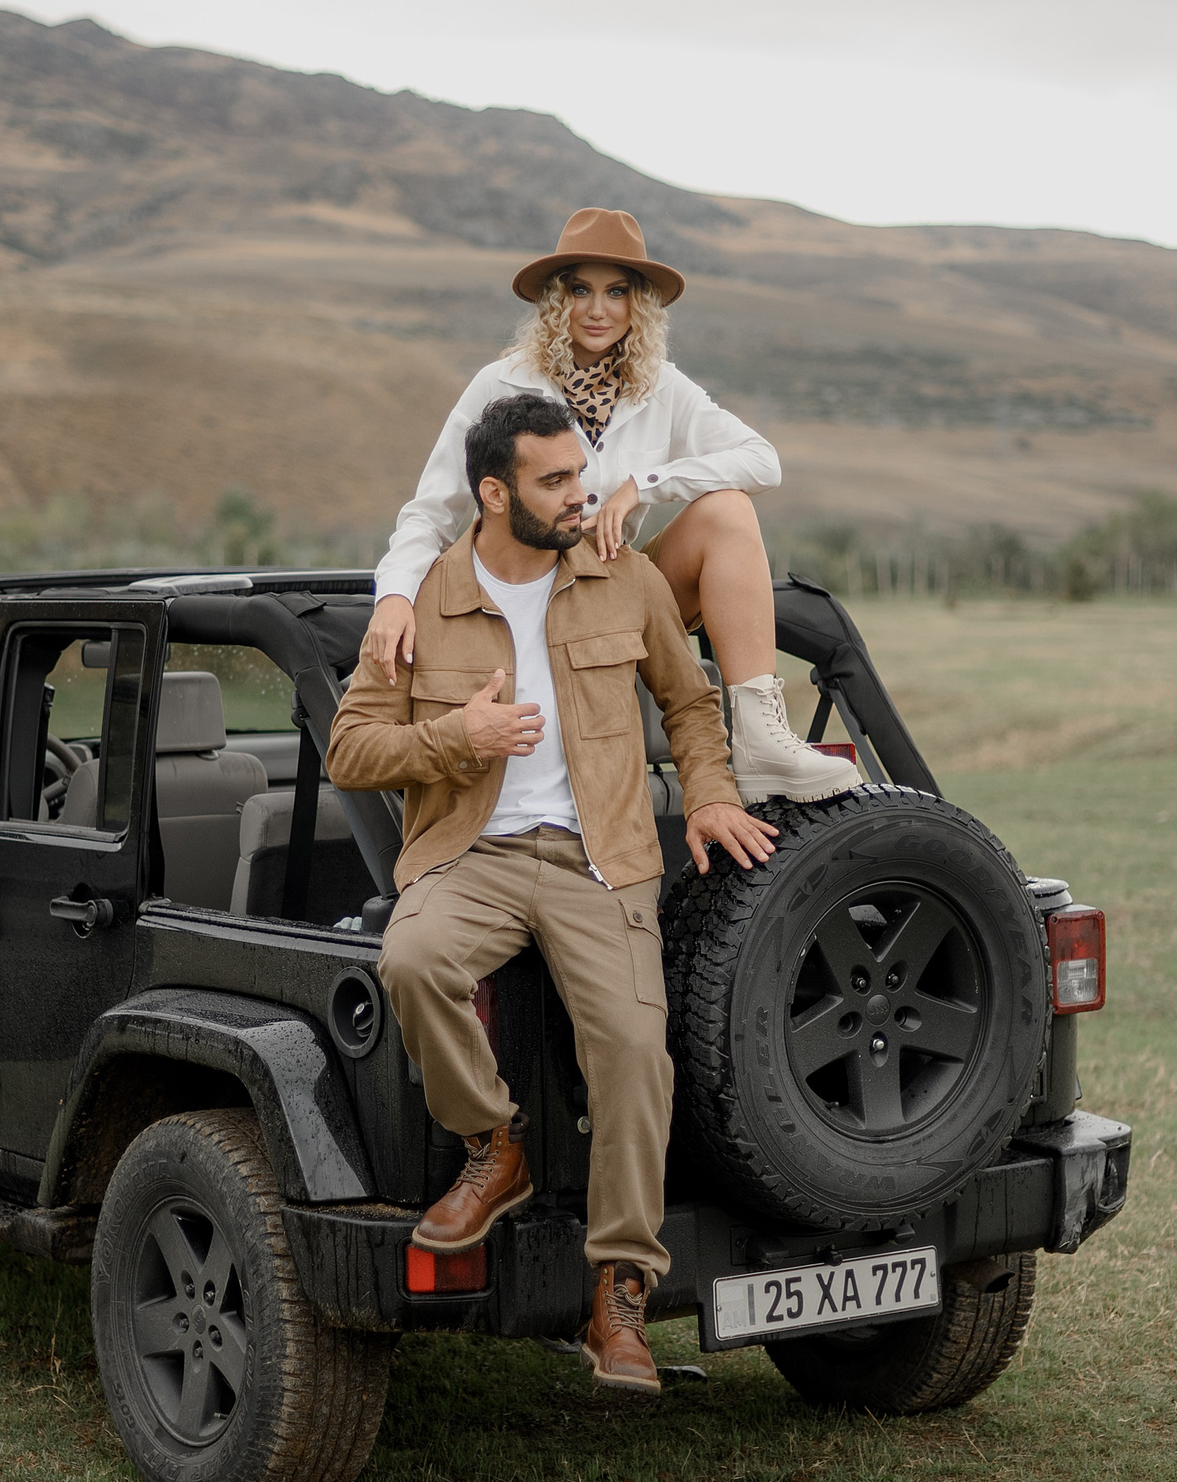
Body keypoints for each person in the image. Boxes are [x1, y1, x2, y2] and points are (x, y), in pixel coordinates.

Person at [330, 393, 782, 1396]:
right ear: (492, 494)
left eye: (580, 473)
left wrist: (707, 792)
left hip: (600, 857)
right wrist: (456, 739)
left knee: (632, 1050)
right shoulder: (425, 600)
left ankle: (618, 1292)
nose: (582, 496)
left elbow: (687, 699)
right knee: (409, 960)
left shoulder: (620, 579)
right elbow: (350, 749)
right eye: (555, 481)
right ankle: (494, 1146)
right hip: (473, 855)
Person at [361, 206, 862, 805]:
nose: (598, 310)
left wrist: (644, 484)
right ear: (556, 300)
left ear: (638, 304)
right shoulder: (501, 384)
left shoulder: (662, 387)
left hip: (614, 595)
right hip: (519, 602)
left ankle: (758, 741)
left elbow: (762, 460)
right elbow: (431, 511)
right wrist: (394, 595)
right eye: (580, 290)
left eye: (616, 291)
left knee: (727, 510)